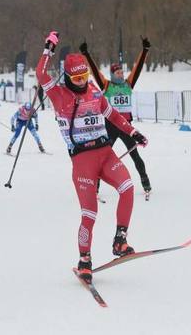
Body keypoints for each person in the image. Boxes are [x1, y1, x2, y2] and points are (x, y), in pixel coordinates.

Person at [36, 31, 148, 283]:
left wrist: (134, 132)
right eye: (75, 77)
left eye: (84, 76)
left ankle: (120, 240)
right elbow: (41, 74)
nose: (81, 81)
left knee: (128, 187)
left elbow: (114, 116)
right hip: (82, 160)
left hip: (105, 153)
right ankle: (84, 259)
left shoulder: (96, 92)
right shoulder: (59, 94)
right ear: (67, 76)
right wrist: (49, 49)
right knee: (90, 213)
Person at [80, 37, 152, 195]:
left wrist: (145, 50)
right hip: (111, 126)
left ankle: (146, 184)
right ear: (112, 74)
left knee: (135, 156)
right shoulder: (106, 85)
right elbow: (94, 69)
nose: (121, 74)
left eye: (121, 72)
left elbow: (137, 68)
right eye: (118, 72)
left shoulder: (128, 84)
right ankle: (95, 189)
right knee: (103, 158)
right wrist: (86, 53)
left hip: (126, 126)